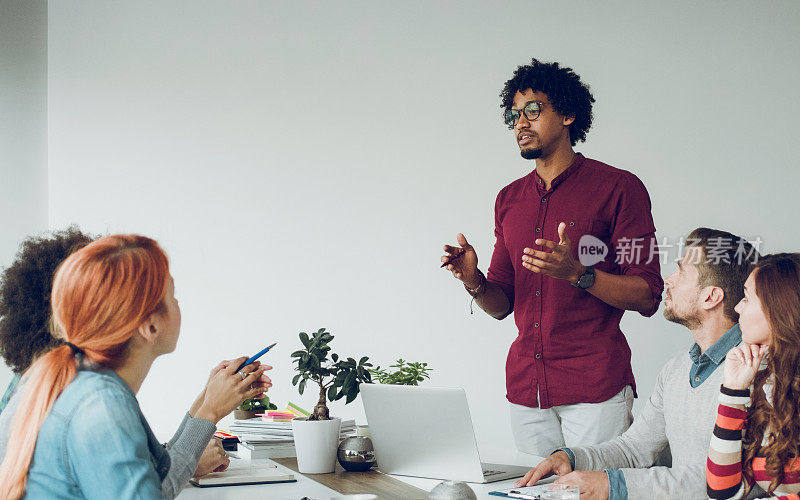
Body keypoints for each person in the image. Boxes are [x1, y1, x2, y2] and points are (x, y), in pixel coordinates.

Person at [441, 58, 663, 456]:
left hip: (595, 389)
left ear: (568, 114)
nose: (520, 124)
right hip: (528, 391)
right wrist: (474, 281)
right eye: (513, 115)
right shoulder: (508, 199)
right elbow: (501, 304)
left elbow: (648, 294)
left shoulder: (619, 188)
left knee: (594, 492)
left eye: (533, 110)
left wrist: (580, 274)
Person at [0, 234, 270, 499]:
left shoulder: (79, 382)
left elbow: (154, 476)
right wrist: (210, 411)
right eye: (172, 296)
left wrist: (206, 401)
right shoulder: (102, 406)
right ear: (151, 326)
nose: (178, 303)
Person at [515, 228, 757, 500]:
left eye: (681, 272)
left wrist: (612, 484)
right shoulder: (677, 369)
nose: (668, 280)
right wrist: (571, 458)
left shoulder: (755, 371)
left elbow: (727, 481)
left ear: (710, 297)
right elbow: (635, 448)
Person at [706, 253, 800, 499]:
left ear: (779, 309)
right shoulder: (769, 386)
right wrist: (733, 391)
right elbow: (722, 491)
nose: (737, 307)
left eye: (746, 298)